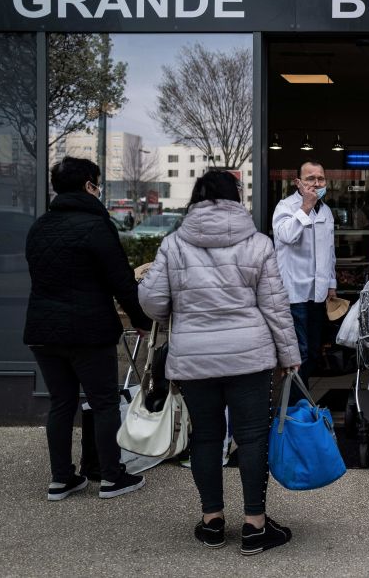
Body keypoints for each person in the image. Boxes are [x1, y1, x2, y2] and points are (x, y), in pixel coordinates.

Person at [139, 170, 300, 555]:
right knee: (252, 439)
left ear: (195, 199)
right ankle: (255, 527)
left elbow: (152, 302)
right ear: (236, 199)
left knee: (207, 438)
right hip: (250, 358)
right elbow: (275, 308)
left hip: (195, 361)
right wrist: (290, 356)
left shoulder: (174, 244)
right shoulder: (258, 244)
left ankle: (212, 523)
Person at [24, 156, 152, 502]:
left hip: (43, 331)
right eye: (97, 184)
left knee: (61, 403)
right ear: (88, 186)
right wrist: (142, 321)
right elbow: (122, 282)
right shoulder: (97, 226)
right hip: (88, 331)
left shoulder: (39, 227)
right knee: (104, 402)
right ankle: (111, 477)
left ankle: (61, 479)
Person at [272, 159, 340, 398]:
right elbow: (286, 236)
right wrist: (306, 208)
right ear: (297, 182)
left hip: (318, 294)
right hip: (293, 294)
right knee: (297, 354)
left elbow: (329, 251)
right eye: (310, 179)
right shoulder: (285, 207)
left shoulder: (327, 210)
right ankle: (293, 409)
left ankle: (301, 403)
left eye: (320, 178)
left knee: (312, 352)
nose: (317, 183)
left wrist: (331, 284)